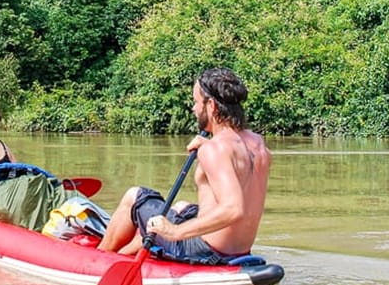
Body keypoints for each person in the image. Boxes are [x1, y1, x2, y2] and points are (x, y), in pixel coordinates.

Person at [96, 68, 271, 264]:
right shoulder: (257, 144)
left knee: (134, 196)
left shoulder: (214, 150)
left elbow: (233, 209)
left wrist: (175, 232)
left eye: (196, 102)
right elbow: (240, 172)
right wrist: (209, 145)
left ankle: (97, 259)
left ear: (211, 105)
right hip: (240, 250)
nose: (194, 109)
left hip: (205, 252)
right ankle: (124, 256)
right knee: (181, 207)